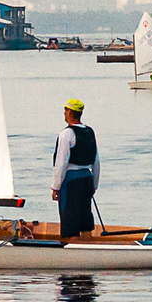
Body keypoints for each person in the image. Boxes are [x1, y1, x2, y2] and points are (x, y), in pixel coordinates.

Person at [51, 99, 100, 239]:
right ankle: (88, 250)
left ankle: (73, 251)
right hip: (87, 178)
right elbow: (96, 161)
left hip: (71, 180)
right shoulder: (90, 132)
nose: (64, 113)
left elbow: (61, 162)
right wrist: (94, 184)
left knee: (70, 223)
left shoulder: (67, 134)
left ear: (71, 112)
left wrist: (56, 187)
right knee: (85, 221)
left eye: (65, 111)